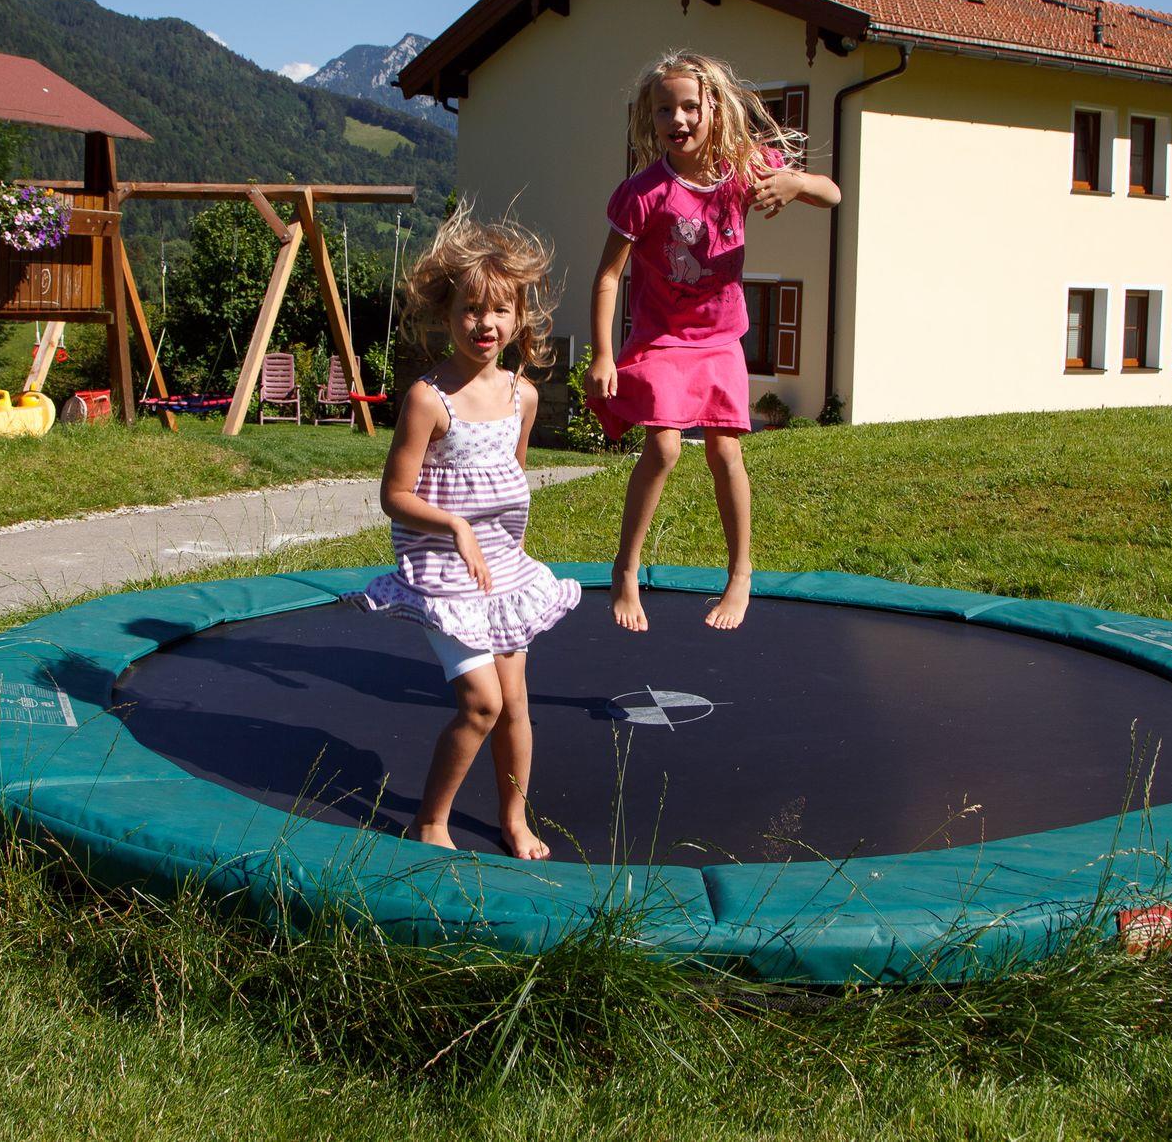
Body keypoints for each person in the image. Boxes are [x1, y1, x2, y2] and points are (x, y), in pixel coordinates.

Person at [348, 207, 581, 859]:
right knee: (481, 704)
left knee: (516, 705)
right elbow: (394, 496)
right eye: (471, 310)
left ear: (519, 317)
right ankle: (430, 820)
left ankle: (514, 819)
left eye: (500, 310)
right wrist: (453, 525)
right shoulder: (429, 398)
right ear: (445, 315)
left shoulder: (522, 396)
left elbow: (511, 477)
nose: (486, 324)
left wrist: (500, 543)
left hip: (500, 570)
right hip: (443, 571)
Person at [587, 50, 841, 632]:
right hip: (662, 339)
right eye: (664, 110)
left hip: (720, 339)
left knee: (726, 452)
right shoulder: (644, 192)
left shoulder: (745, 169)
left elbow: (832, 194)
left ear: (714, 109)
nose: (677, 120)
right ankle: (626, 568)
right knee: (664, 448)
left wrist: (796, 182)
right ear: (649, 118)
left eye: (689, 108)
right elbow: (607, 277)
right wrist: (603, 352)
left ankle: (740, 573)